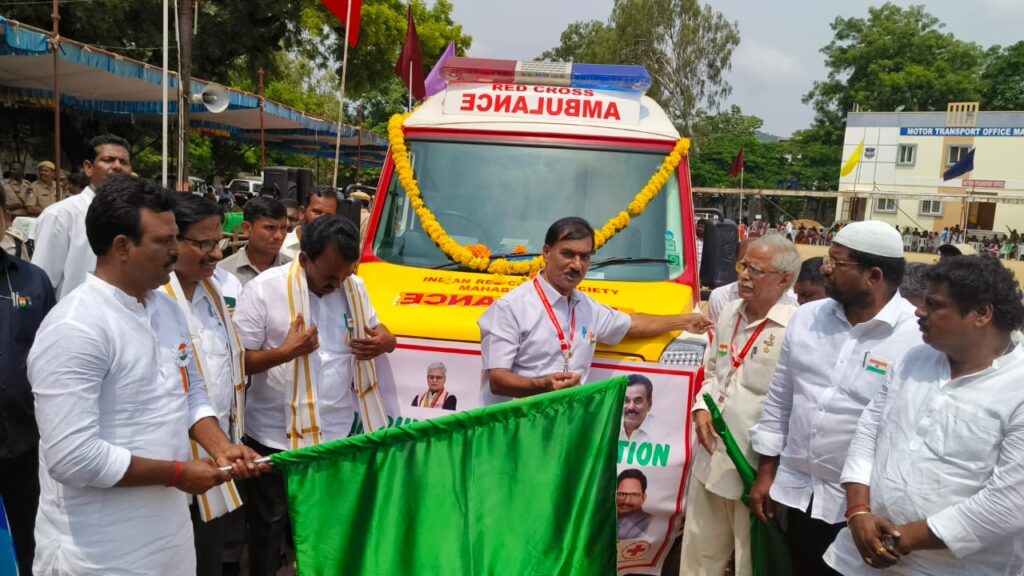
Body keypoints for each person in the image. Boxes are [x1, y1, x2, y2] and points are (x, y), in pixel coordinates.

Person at [27, 175, 264, 575]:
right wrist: (177, 473)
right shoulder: (76, 327)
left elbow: (192, 394)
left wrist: (220, 447)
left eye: (176, 238)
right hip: (99, 549)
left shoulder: (166, 309)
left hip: (168, 536)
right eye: (164, 242)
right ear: (122, 246)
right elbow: (72, 458)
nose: (176, 251)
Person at [824, 256, 1024, 574]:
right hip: (859, 556)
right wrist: (858, 512)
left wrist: (898, 540)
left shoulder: (1018, 387)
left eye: (933, 304)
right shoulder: (915, 360)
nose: (919, 311)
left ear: (982, 314)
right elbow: (869, 430)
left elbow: (1009, 504)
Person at [749, 220, 922, 575]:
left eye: (837, 263)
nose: (826, 269)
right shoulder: (808, 318)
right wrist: (767, 471)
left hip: (865, 510)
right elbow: (782, 397)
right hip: (797, 494)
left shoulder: (915, 337)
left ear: (873, 276)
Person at [234, 215, 396, 576]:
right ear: (304, 259)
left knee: (325, 527)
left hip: (332, 435)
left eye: (344, 276)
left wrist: (385, 341)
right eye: (328, 278)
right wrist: (284, 352)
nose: (336, 285)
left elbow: (380, 328)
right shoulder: (263, 290)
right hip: (274, 436)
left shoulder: (353, 288)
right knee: (270, 529)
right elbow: (237, 363)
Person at [478, 217, 711, 405]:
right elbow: (497, 380)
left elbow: (633, 324)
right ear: (547, 252)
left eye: (585, 257)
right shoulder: (510, 308)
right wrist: (541, 385)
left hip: (568, 425)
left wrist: (683, 322)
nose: (577, 265)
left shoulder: (587, 307)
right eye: (568, 254)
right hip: (517, 427)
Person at [681, 234, 800, 576]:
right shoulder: (730, 311)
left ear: (784, 279)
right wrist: (700, 408)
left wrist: (771, 470)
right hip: (712, 455)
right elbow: (713, 372)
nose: (744, 276)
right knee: (699, 553)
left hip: (753, 465)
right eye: (742, 266)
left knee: (751, 559)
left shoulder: (796, 326)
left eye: (756, 270)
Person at [163, 195, 249, 576]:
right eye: (203, 244)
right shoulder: (153, 300)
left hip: (215, 454)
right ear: (171, 241)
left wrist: (224, 445)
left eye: (219, 243)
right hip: (169, 464)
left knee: (207, 559)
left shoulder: (216, 290)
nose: (215, 254)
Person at [0, 190, 55, 576]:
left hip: (24, 446)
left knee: (27, 543)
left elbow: (51, 355)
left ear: (5, 219)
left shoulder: (31, 280)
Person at [32, 134, 132, 299]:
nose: (117, 166)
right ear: (88, 167)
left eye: (124, 162)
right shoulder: (61, 215)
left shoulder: (134, 216)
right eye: (108, 159)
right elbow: (41, 284)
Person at [218, 195, 290, 287]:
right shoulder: (223, 274)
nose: (279, 236)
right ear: (247, 228)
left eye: (283, 228)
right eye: (270, 228)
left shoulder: (297, 271)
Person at [280, 187, 339, 260]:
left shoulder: (337, 252)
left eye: (328, 216)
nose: (322, 219)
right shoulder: (279, 244)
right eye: (317, 212)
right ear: (302, 212)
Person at [617, 469, 653, 541]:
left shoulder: (653, 523)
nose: (626, 501)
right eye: (621, 494)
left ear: (643, 498)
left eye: (634, 495)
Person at [620, 375, 655, 443]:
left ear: (649, 404)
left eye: (638, 401)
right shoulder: (608, 429)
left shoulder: (662, 434)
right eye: (626, 400)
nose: (631, 407)